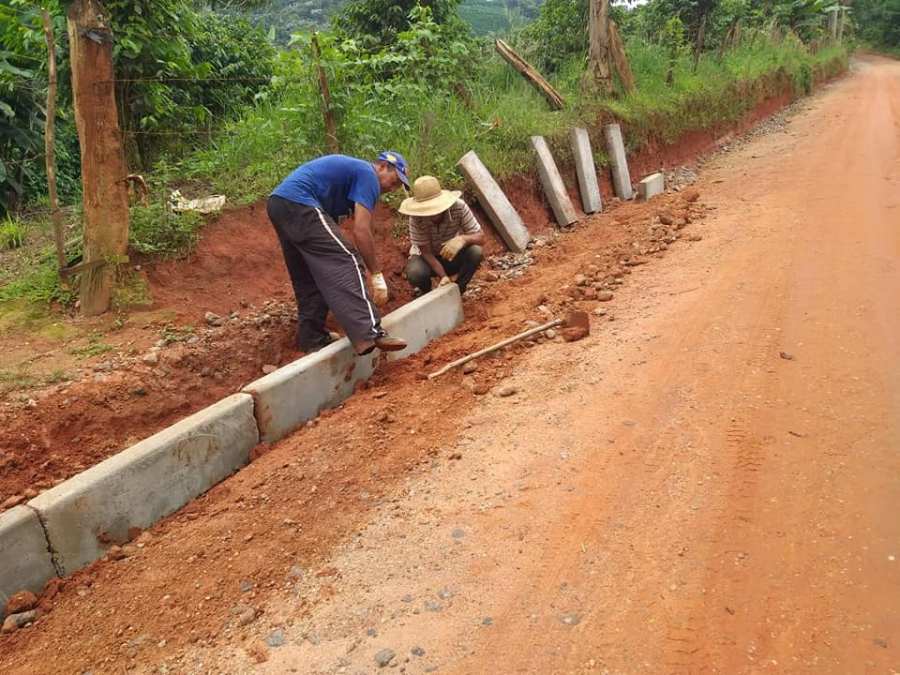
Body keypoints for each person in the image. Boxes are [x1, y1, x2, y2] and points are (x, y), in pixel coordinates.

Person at [267, 152, 410, 355]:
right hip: (300, 201)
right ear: (382, 167)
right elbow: (361, 230)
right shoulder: (368, 174)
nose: (391, 189)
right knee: (347, 259)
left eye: (397, 187)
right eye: (394, 181)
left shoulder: (349, 179)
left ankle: (312, 339)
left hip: (279, 203)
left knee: (309, 276)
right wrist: (376, 274)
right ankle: (371, 333)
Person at [399, 176, 484, 296]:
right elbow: (426, 252)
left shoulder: (459, 207)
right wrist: (443, 277)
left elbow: (481, 237)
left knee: (476, 251)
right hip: (426, 258)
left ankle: (458, 290)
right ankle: (428, 295)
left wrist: (463, 239)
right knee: (415, 272)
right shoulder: (416, 218)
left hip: (451, 256)